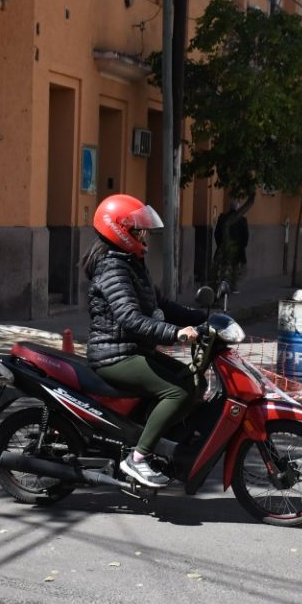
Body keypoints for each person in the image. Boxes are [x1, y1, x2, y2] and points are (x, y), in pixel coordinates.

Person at [84, 194, 201, 488]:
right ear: (120, 230)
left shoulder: (132, 262)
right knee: (178, 391)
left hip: (131, 348)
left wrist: (201, 319)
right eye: (139, 229)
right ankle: (137, 458)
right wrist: (175, 333)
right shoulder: (112, 267)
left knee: (190, 379)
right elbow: (130, 318)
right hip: (114, 356)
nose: (144, 235)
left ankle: (155, 442)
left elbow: (162, 303)